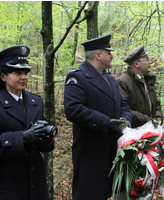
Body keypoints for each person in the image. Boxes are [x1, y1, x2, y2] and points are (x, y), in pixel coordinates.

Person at [0, 46, 55, 200]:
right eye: (17, 73)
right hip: (7, 188)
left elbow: (44, 146)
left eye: (25, 73)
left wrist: (46, 139)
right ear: (3, 76)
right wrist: (21, 137)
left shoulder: (36, 102)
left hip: (36, 188)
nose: (24, 77)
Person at [64, 34, 132, 200]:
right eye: (109, 52)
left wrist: (126, 121)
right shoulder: (78, 77)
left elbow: (122, 105)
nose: (112, 56)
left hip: (113, 148)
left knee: (111, 192)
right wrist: (106, 123)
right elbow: (73, 109)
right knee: (90, 193)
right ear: (98, 55)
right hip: (91, 150)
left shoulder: (110, 78)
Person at [117, 44, 163, 128]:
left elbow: (157, 105)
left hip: (152, 130)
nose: (150, 62)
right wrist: (148, 121)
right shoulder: (123, 82)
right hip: (134, 133)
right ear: (136, 64)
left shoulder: (148, 80)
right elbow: (124, 110)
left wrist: (158, 118)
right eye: (147, 59)